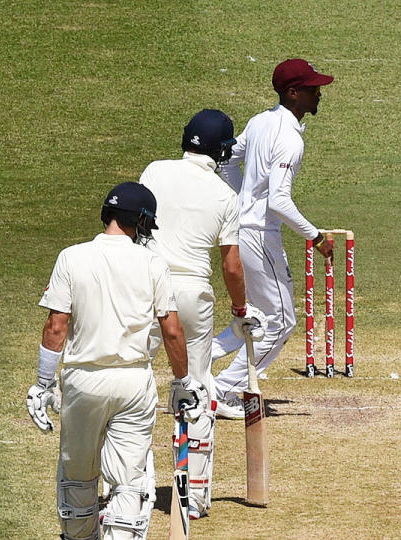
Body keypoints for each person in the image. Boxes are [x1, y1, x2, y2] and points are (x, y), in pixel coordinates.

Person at [26, 182, 207, 540]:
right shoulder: (152, 262)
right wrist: (184, 382)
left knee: (77, 475)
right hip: (132, 382)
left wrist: (44, 383)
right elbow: (171, 330)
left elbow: (56, 327)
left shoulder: (71, 257)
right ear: (140, 221)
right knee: (128, 480)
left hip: (82, 381)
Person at [138, 109, 265, 519]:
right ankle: (193, 496)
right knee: (197, 386)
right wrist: (242, 311)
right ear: (224, 152)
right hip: (192, 295)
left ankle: (133, 489)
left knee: (135, 382)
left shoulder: (154, 171)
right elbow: (231, 265)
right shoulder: (225, 197)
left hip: (146, 286)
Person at [210, 58, 334, 419]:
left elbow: (227, 161)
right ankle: (221, 390)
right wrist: (316, 237)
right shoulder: (290, 140)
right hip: (261, 235)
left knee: (259, 317)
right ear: (293, 93)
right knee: (282, 322)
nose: (319, 94)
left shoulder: (259, 121)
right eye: (312, 89)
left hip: (243, 229)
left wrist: (241, 199)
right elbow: (279, 200)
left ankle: (203, 360)